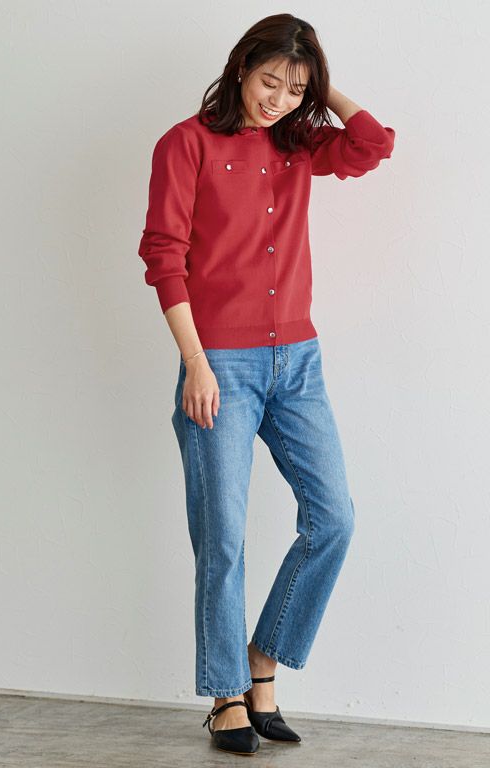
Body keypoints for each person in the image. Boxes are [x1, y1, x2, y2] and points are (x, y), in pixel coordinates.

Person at [137, 13, 395, 756]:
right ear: (241, 68)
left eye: (294, 89)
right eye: (269, 81)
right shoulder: (185, 143)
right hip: (219, 362)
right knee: (222, 536)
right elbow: (163, 254)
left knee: (334, 518)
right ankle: (226, 695)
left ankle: (261, 664)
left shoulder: (298, 141)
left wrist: (319, 83)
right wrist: (194, 362)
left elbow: (372, 144)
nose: (277, 99)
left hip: (298, 361)